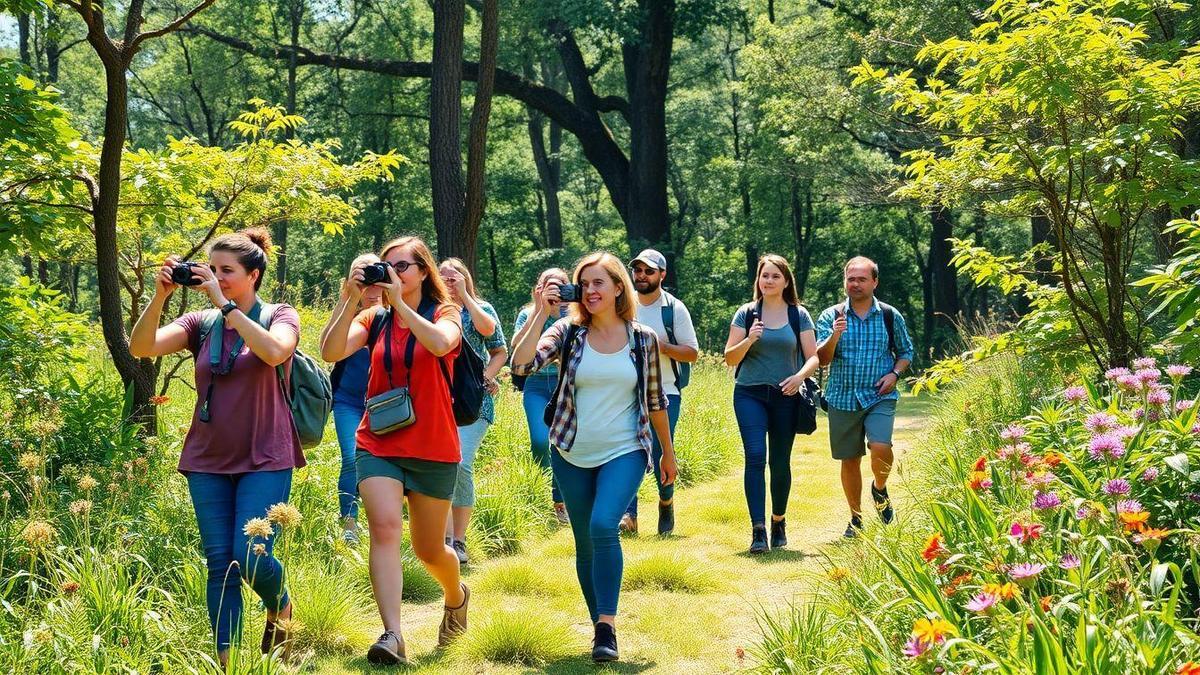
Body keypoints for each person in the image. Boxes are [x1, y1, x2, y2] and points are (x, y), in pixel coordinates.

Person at [129, 229, 302, 666]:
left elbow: (275, 353)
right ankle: (228, 663)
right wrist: (161, 296)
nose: (217, 277)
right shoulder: (199, 324)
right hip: (207, 459)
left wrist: (226, 307)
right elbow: (141, 346)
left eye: (228, 271)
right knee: (221, 562)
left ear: (254, 275)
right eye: (213, 269)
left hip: (266, 456)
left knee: (251, 555)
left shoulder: (279, 314)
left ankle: (279, 604)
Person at [511, 252, 678, 663]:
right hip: (571, 449)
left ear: (618, 287)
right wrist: (538, 313)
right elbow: (521, 364)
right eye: (583, 284)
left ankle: (608, 625)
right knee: (584, 543)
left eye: (598, 282)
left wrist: (666, 454)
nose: (589, 291)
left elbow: (655, 401)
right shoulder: (568, 331)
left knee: (604, 525)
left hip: (626, 448)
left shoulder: (643, 338)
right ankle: (598, 629)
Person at [319, 236, 469, 665]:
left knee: (428, 550)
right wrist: (349, 298)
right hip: (378, 441)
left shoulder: (445, 312)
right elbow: (330, 351)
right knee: (384, 529)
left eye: (401, 267)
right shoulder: (373, 318)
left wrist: (401, 305)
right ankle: (393, 635)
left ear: (424, 271)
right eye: (386, 267)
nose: (392, 275)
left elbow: (442, 344)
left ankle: (455, 595)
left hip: (434, 445)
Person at [723, 254, 820, 554]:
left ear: (786, 281)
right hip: (749, 394)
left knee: (779, 462)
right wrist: (750, 339)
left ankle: (778, 520)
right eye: (764, 275)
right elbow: (729, 358)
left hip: (785, 395)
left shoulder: (798, 315)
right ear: (758, 280)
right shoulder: (746, 314)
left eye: (775, 276)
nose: (769, 281)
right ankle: (758, 530)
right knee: (754, 457)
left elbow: (813, 356)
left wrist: (799, 377)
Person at [816, 256, 914, 539]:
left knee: (881, 446)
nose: (855, 284)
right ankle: (856, 519)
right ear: (844, 282)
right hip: (841, 398)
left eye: (861, 279)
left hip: (878, 396)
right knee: (850, 460)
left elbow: (906, 352)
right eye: (850, 279)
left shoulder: (888, 315)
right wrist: (834, 335)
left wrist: (894, 374)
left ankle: (880, 488)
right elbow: (822, 359)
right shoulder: (830, 316)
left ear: (874, 282)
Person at [621, 249, 698, 535]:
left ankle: (666, 501)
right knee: (627, 450)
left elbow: (692, 353)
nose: (641, 276)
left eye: (648, 271)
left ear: (662, 275)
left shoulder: (673, 309)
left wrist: (660, 346)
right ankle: (629, 516)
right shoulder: (622, 305)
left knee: (659, 449)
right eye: (637, 270)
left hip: (666, 391)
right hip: (625, 390)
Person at [439, 258, 508, 564]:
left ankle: (459, 539)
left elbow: (498, 348)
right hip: (437, 399)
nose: (448, 282)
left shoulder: (481, 309)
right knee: (442, 464)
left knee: (461, 461)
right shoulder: (433, 310)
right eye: (442, 278)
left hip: (474, 402)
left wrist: (486, 378)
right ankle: (443, 540)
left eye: (454, 278)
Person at [320, 253, 385, 546]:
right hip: (348, 400)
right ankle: (349, 524)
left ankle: (383, 523)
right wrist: (349, 296)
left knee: (385, 463)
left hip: (387, 403)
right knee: (351, 458)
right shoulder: (350, 310)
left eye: (375, 280)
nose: (371, 290)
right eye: (364, 279)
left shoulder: (393, 313)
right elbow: (326, 346)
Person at [510, 267, 572, 525]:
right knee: (538, 440)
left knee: (560, 442)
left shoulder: (575, 314)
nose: (554, 290)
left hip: (564, 386)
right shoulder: (529, 313)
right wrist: (539, 311)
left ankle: (561, 500)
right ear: (538, 289)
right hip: (535, 385)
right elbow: (515, 345)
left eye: (559, 285)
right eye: (548, 285)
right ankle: (541, 490)